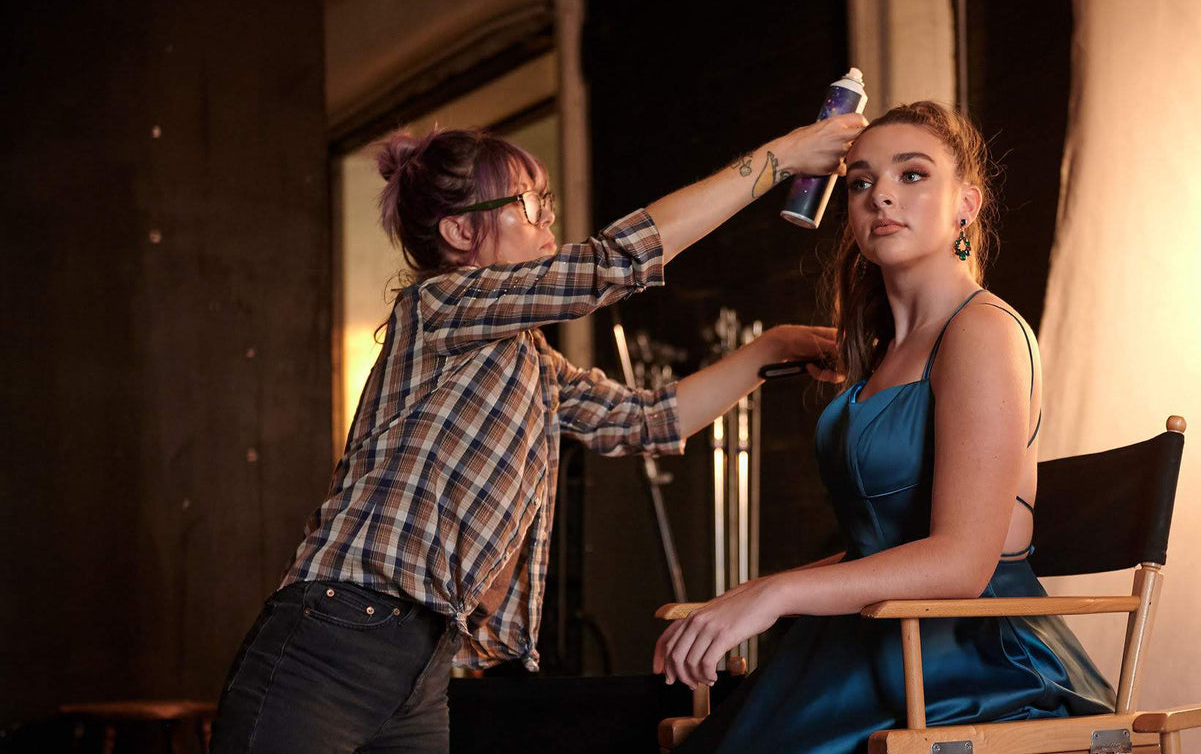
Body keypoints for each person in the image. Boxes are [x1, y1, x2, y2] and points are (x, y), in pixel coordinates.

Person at [209, 112, 866, 753]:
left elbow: (645, 420)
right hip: (336, 631)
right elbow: (614, 262)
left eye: (547, 203)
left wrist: (773, 347)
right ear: (460, 231)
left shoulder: (531, 361)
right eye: (530, 205)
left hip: (422, 656)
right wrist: (784, 156)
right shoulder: (439, 305)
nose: (548, 220)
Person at [655, 102, 1114, 753]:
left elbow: (961, 563)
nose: (881, 196)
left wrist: (775, 594)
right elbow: (880, 543)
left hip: (967, 654)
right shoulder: (881, 354)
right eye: (861, 182)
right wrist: (750, 595)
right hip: (875, 638)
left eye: (912, 174)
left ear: (966, 205)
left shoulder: (981, 331)